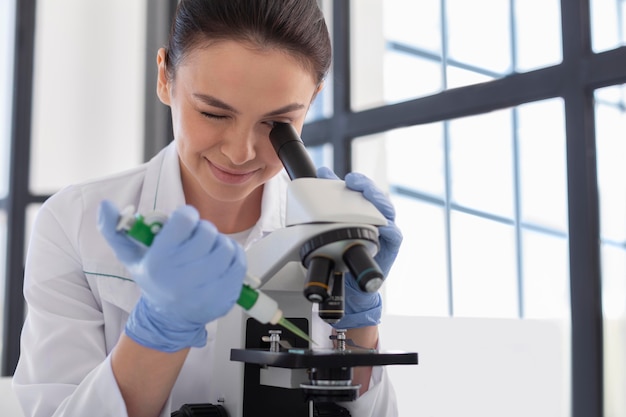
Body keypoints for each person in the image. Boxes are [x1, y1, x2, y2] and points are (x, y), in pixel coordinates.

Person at [12, 1, 403, 416]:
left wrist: (359, 322)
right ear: (165, 77)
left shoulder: (329, 226)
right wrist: (159, 330)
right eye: (213, 113)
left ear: (312, 101)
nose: (240, 152)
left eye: (277, 124)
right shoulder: (74, 223)